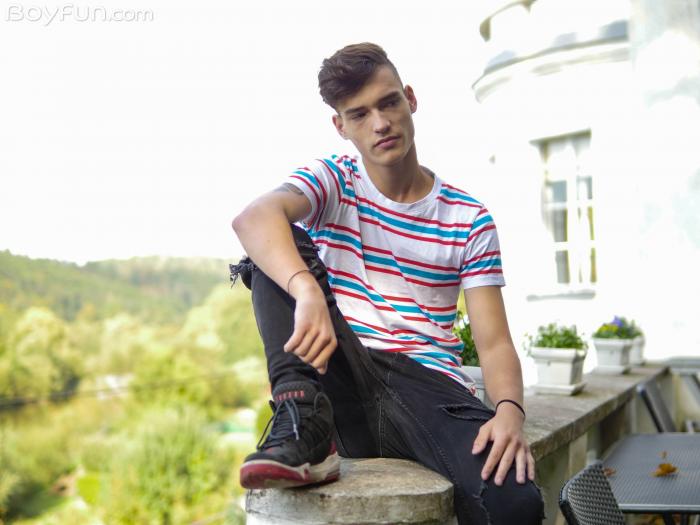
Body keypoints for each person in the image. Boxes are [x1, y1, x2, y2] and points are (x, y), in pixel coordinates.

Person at [230, 42, 544, 525]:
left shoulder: (468, 218)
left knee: (514, 499)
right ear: (341, 126)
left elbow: (495, 342)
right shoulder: (335, 181)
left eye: (388, 102)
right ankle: (301, 419)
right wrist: (306, 288)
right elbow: (252, 218)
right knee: (273, 246)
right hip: (341, 375)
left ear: (410, 99)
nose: (380, 123)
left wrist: (509, 411)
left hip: (425, 388)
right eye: (359, 114)